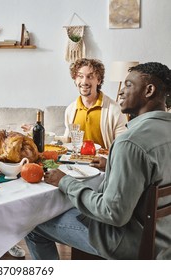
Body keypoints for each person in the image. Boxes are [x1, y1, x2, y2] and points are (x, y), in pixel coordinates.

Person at [25, 62, 171, 260]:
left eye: (128, 85)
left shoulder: (129, 142)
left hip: (132, 242)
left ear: (149, 90)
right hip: (163, 238)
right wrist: (112, 163)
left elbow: (113, 213)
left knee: (31, 223)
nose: (121, 92)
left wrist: (65, 181)